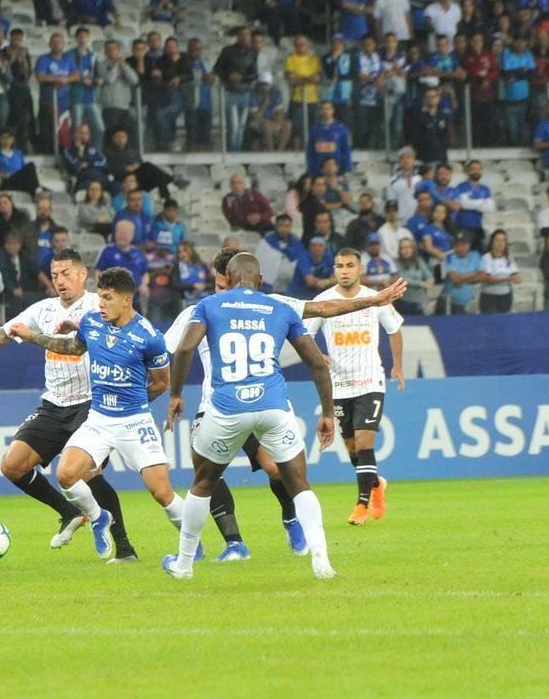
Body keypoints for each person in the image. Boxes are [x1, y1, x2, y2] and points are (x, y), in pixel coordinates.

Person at [0, 250, 138, 561]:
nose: (60, 281)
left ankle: (124, 548)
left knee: (87, 474)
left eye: (67, 273)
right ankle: (69, 512)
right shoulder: (44, 310)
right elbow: (3, 334)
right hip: (54, 405)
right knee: (11, 465)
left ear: (83, 275)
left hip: (92, 404)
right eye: (55, 275)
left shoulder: (101, 305)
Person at [163, 252, 337, 580]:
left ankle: (184, 565)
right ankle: (321, 560)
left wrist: (175, 395)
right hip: (273, 406)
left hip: (226, 408)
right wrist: (327, 412)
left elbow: (185, 349)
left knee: (202, 483)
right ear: (260, 282)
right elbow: (316, 362)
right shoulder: (279, 307)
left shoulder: (209, 306)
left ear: (226, 279)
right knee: (299, 483)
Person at [6, 264, 185, 555]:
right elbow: (73, 348)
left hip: (134, 420)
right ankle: (99, 517)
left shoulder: (150, 337)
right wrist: (32, 337)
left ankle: (192, 543)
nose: (100, 303)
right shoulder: (91, 322)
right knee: (66, 474)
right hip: (99, 419)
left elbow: (161, 383)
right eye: (100, 296)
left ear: (127, 300)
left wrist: (133, 404)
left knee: (161, 492)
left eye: (108, 298)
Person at [304, 246, 403, 525]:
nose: (344, 270)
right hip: (338, 384)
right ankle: (375, 485)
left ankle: (361, 506)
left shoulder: (376, 298)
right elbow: (303, 334)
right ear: (334, 269)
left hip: (370, 380)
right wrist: (315, 352)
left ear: (361, 269)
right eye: (339, 266)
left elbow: (394, 329)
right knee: (351, 449)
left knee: (363, 441)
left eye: (349, 265)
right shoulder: (323, 302)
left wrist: (398, 365)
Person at [437, 234, 483, 314]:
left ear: (469, 245)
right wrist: (474, 273)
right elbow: (455, 279)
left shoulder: (475, 255)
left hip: (471, 303)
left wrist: (462, 278)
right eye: (457, 245)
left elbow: (482, 276)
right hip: (450, 304)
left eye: (463, 245)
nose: (460, 248)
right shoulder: (450, 257)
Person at [479, 230, 520, 313]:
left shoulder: (509, 258)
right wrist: (507, 279)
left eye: (503, 240)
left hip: (506, 297)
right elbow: (488, 278)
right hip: (489, 298)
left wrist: (516, 278)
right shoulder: (486, 258)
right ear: (492, 242)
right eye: (497, 240)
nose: (500, 243)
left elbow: (515, 275)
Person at [393, 238, 432, 316]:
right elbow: (402, 279)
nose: (406, 250)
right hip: (403, 302)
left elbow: (429, 275)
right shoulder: (396, 262)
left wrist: (430, 281)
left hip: (420, 301)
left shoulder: (419, 261)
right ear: (399, 250)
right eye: (403, 248)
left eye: (408, 247)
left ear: (413, 249)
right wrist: (421, 284)